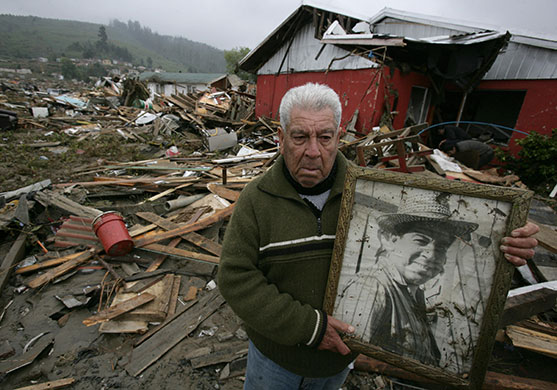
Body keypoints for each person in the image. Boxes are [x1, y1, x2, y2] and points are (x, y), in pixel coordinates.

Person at [217, 83, 539, 389]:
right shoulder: (256, 201)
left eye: (325, 137)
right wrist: (311, 328)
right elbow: (235, 278)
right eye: (300, 137)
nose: (313, 151)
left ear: (339, 137)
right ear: (281, 137)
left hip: (336, 363)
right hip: (276, 361)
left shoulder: (370, 197)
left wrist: (504, 246)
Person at [356, 193, 478, 366]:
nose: (431, 255)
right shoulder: (372, 286)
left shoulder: (414, 294)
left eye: (441, 247)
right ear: (390, 240)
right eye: (421, 240)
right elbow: (357, 358)